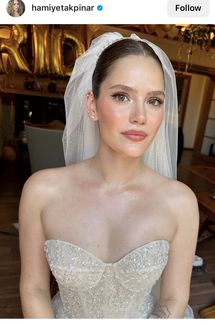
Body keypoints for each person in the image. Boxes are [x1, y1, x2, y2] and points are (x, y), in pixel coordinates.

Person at [19, 32, 199, 318]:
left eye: (154, 101)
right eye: (122, 96)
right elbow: (34, 288)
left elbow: (175, 297)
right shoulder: (42, 191)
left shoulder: (180, 202)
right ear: (92, 105)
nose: (140, 115)